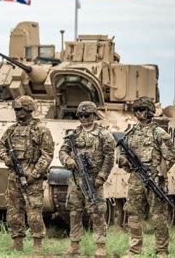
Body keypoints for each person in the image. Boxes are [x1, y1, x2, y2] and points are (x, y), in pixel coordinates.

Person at [118, 96, 175, 257]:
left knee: (158, 216)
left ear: (150, 112)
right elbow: (122, 153)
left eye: (141, 110)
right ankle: (134, 250)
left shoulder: (159, 133)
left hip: (154, 179)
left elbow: (170, 157)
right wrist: (122, 160)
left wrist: (157, 173)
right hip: (136, 178)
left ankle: (161, 251)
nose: (138, 113)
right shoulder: (131, 131)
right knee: (133, 213)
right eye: (136, 110)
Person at [0, 95, 54, 252]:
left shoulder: (41, 130)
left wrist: (34, 174)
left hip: (32, 180)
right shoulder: (11, 130)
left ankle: (37, 244)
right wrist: (7, 159)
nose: (18, 112)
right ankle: (17, 243)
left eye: (21, 109)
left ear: (29, 110)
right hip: (13, 178)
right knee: (13, 212)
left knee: (34, 212)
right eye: (16, 109)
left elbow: (47, 154)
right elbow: (1, 147)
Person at [59, 101, 114, 256]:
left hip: (93, 180)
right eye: (81, 115)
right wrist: (67, 160)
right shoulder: (73, 134)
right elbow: (63, 151)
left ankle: (100, 245)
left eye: (87, 115)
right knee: (74, 212)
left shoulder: (104, 135)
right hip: (76, 180)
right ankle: (74, 245)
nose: (84, 118)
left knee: (97, 212)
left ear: (94, 115)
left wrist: (101, 177)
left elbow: (109, 158)